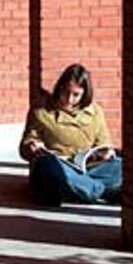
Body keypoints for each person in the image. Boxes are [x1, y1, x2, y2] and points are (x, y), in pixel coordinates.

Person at [19, 64, 122, 206]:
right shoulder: (41, 112)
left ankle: (80, 190)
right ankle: (101, 191)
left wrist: (104, 153)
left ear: (85, 94)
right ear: (59, 88)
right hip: (61, 166)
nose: (69, 99)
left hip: (89, 168)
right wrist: (32, 146)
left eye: (76, 95)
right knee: (49, 167)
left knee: (122, 166)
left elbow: (104, 144)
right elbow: (26, 146)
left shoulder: (95, 112)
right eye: (65, 92)